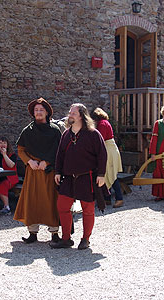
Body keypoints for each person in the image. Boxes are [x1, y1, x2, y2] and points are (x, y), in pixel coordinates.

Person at [51, 103, 107, 250]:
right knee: (62, 206)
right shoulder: (66, 134)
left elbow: (102, 154)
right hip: (68, 177)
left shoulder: (93, 134)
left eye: (73, 113)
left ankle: (85, 239)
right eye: (70, 112)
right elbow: (60, 155)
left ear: (81, 115)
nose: (70, 115)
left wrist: (101, 174)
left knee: (88, 209)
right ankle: (66, 239)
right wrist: (58, 172)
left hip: (86, 177)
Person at [14, 98, 62, 244]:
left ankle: (54, 233)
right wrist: (29, 161)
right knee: (32, 200)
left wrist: (46, 162)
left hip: (48, 172)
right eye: (36, 110)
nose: (38, 112)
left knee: (50, 201)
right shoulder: (27, 131)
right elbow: (21, 149)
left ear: (47, 112)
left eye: (41, 110)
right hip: (33, 172)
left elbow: (59, 150)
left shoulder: (54, 131)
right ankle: (32, 232)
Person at [92, 107, 124, 208]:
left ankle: (119, 199)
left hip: (108, 150)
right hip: (109, 149)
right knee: (106, 174)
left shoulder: (102, 124)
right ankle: (107, 199)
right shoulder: (105, 122)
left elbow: (100, 139)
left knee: (111, 175)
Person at [0, 137, 19, 215]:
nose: (2, 145)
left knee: (2, 186)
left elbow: (11, 165)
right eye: (0, 143)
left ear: (7, 145)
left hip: (10, 177)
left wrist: (4, 155)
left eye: (4, 143)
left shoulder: (12, 155)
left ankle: (7, 207)